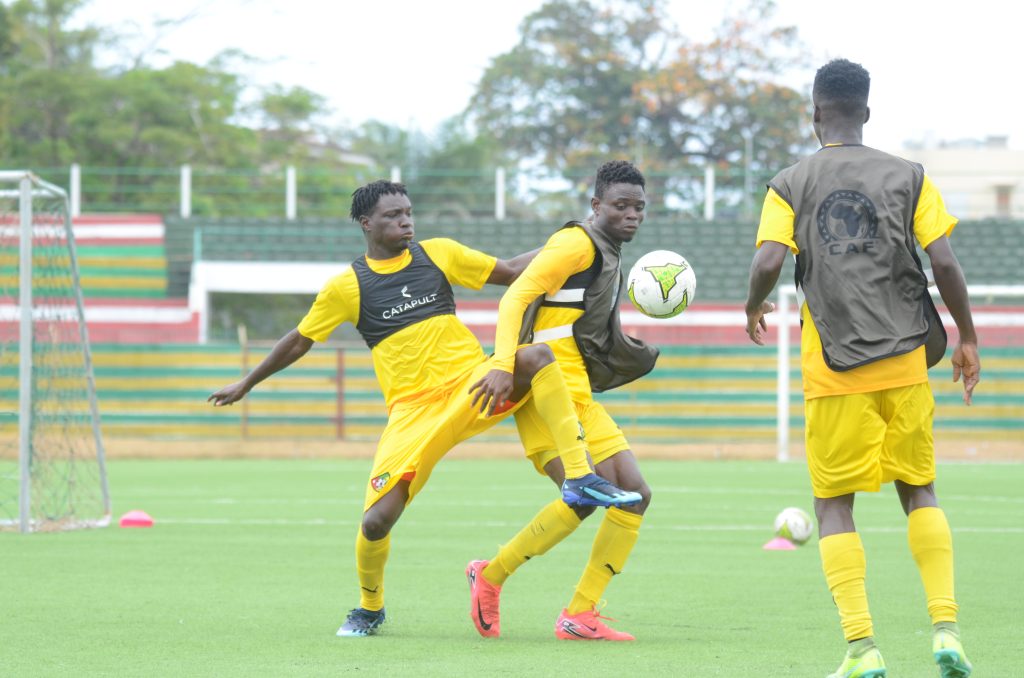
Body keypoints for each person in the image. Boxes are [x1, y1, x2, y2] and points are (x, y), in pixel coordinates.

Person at [208, 180, 641, 637]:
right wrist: (247, 382)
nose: (406, 221)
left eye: (409, 212)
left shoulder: (438, 254)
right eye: (394, 215)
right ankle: (369, 607)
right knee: (376, 521)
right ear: (366, 223)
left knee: (534, 356)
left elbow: (514, 271)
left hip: (474, 386)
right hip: (412, 415)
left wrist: (578, 236)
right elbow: (299, 340)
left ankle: (579, 477)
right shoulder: (346, 287)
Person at [743, 59, 980, 678]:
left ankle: (862, 647)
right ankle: (946, 630)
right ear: (867, 113)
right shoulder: (910, 176)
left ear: (814, 112)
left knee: (833, 505)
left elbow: (770, 258)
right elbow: (946, 264)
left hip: (835, 370)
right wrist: (968, 339)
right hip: (906, 362)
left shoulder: (788, 182)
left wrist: (752, 305)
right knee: (919, 490)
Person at [465, 160, 658, 641]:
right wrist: (501, 364)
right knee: (582, 497)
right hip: (547, 393)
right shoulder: (576, 242)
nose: (631, 214)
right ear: (596, 205)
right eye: (620, 205)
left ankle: (580, 613)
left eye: (638, 207)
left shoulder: (609, 251)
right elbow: (515, 296)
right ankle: (491, 576)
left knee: (634, 496)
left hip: (579, 394)